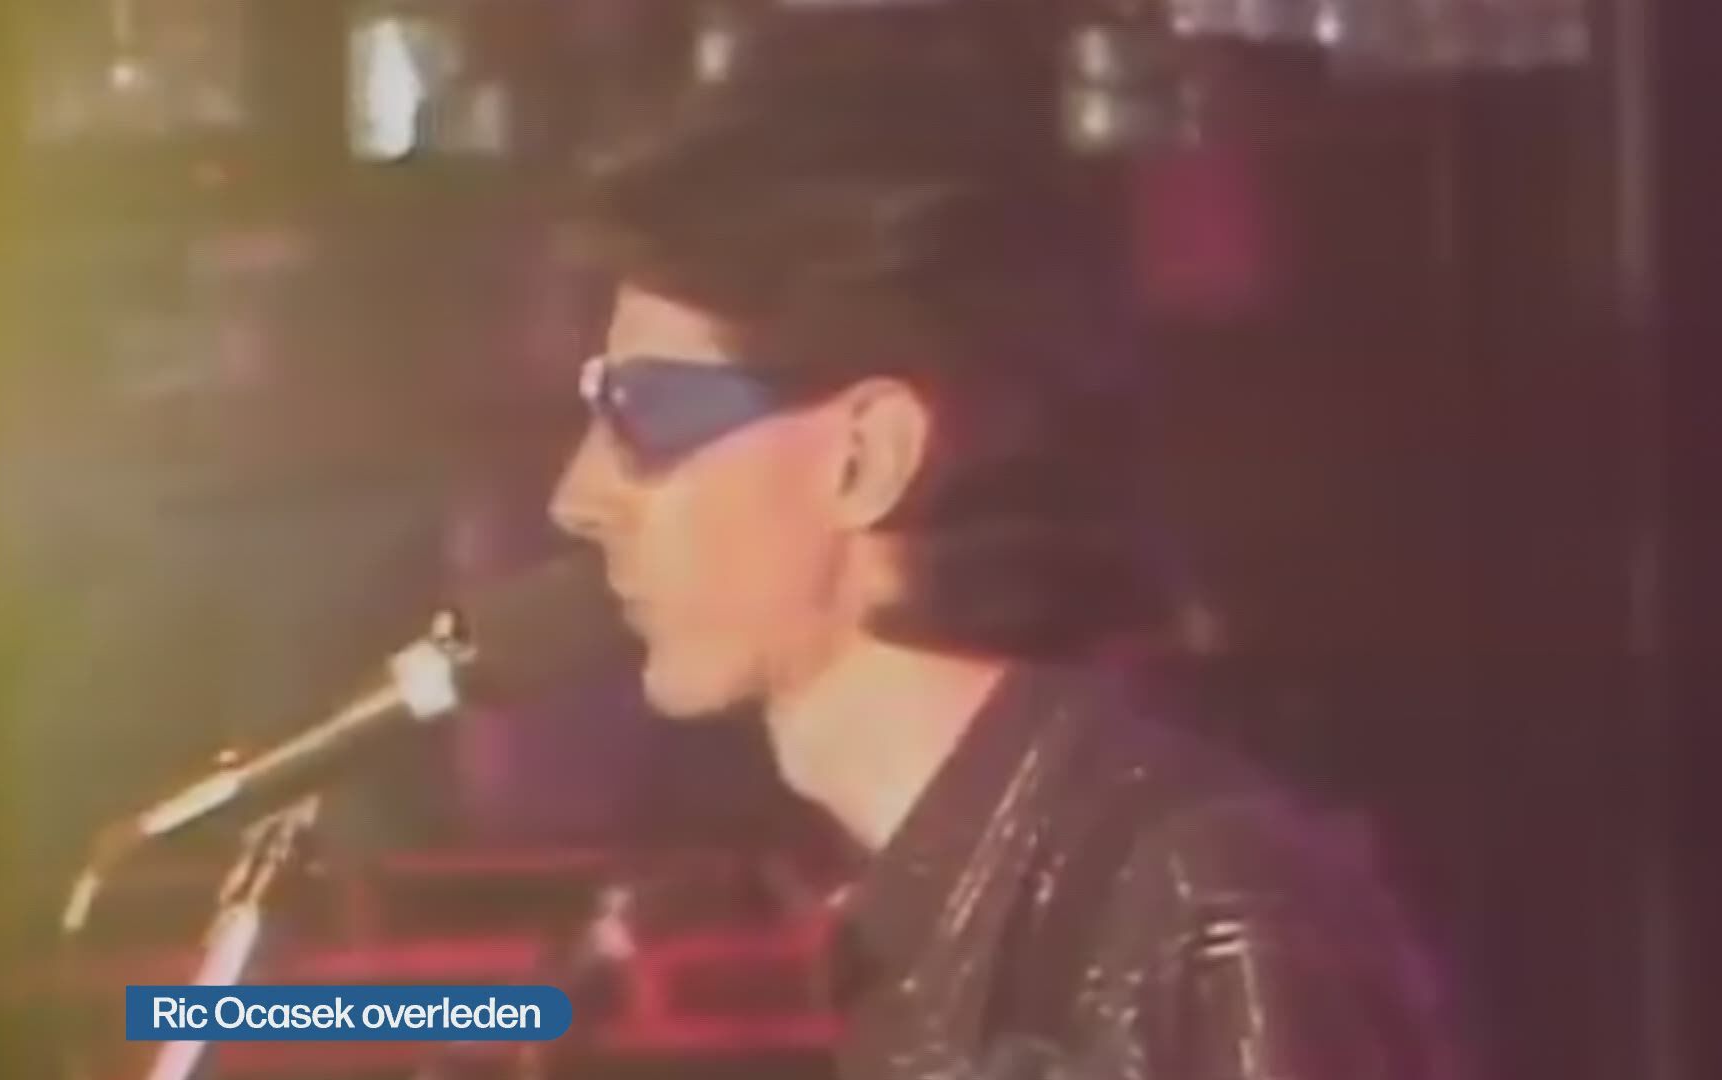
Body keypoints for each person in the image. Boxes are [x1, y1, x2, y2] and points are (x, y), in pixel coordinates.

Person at [547, 16, 1461, 1080]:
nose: (577, 497)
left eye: (639, 412)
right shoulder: (917, 918)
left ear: (869, 457)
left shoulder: (1200, 914)